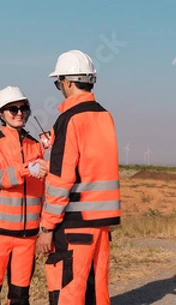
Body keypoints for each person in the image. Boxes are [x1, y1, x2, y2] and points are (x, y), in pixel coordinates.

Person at [37, 50, 121, 305]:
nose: (59, 87)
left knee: (69, 293)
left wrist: (47, 227)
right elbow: (91, 166)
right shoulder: (105, 116)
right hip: (101, 225)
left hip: (74, 225)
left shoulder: (69, 119)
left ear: (69, 82)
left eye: (58, 83)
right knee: (97, 293)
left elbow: (62, 180)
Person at [0, 86, 49, 305]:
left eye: (23, 108)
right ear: (1, 113)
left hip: (26, 237)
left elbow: (43, 190)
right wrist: (27, 168)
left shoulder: (36, 145)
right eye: (12, 109)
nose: (19, 113)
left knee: (20, 298)